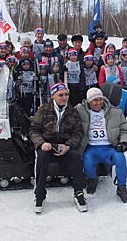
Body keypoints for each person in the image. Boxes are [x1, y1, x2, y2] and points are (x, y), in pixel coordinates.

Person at [29, 82, 87, 213]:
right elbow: (33, 130)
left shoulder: (73, 111)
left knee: (76, 156)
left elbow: (78, 133)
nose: (64, 98)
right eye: (61, 95)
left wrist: (68, 145)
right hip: (47, 145)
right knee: (42, 158)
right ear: (53, 96)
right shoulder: (43, 110)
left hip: (65, 145)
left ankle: (79, 193)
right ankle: (39, 195)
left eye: (66, 94)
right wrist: (42, 143)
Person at [76, 87, 127, 203]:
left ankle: (122, 187)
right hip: (91, 147)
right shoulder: (80, 110)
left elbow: (124, 130)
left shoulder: (115, 112)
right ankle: (92, 180)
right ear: (89, 101)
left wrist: (124, 142)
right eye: (95, 100)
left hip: (109, 147)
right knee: (87, 161)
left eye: (100, 100)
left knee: (120, 158)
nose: (98, 103)